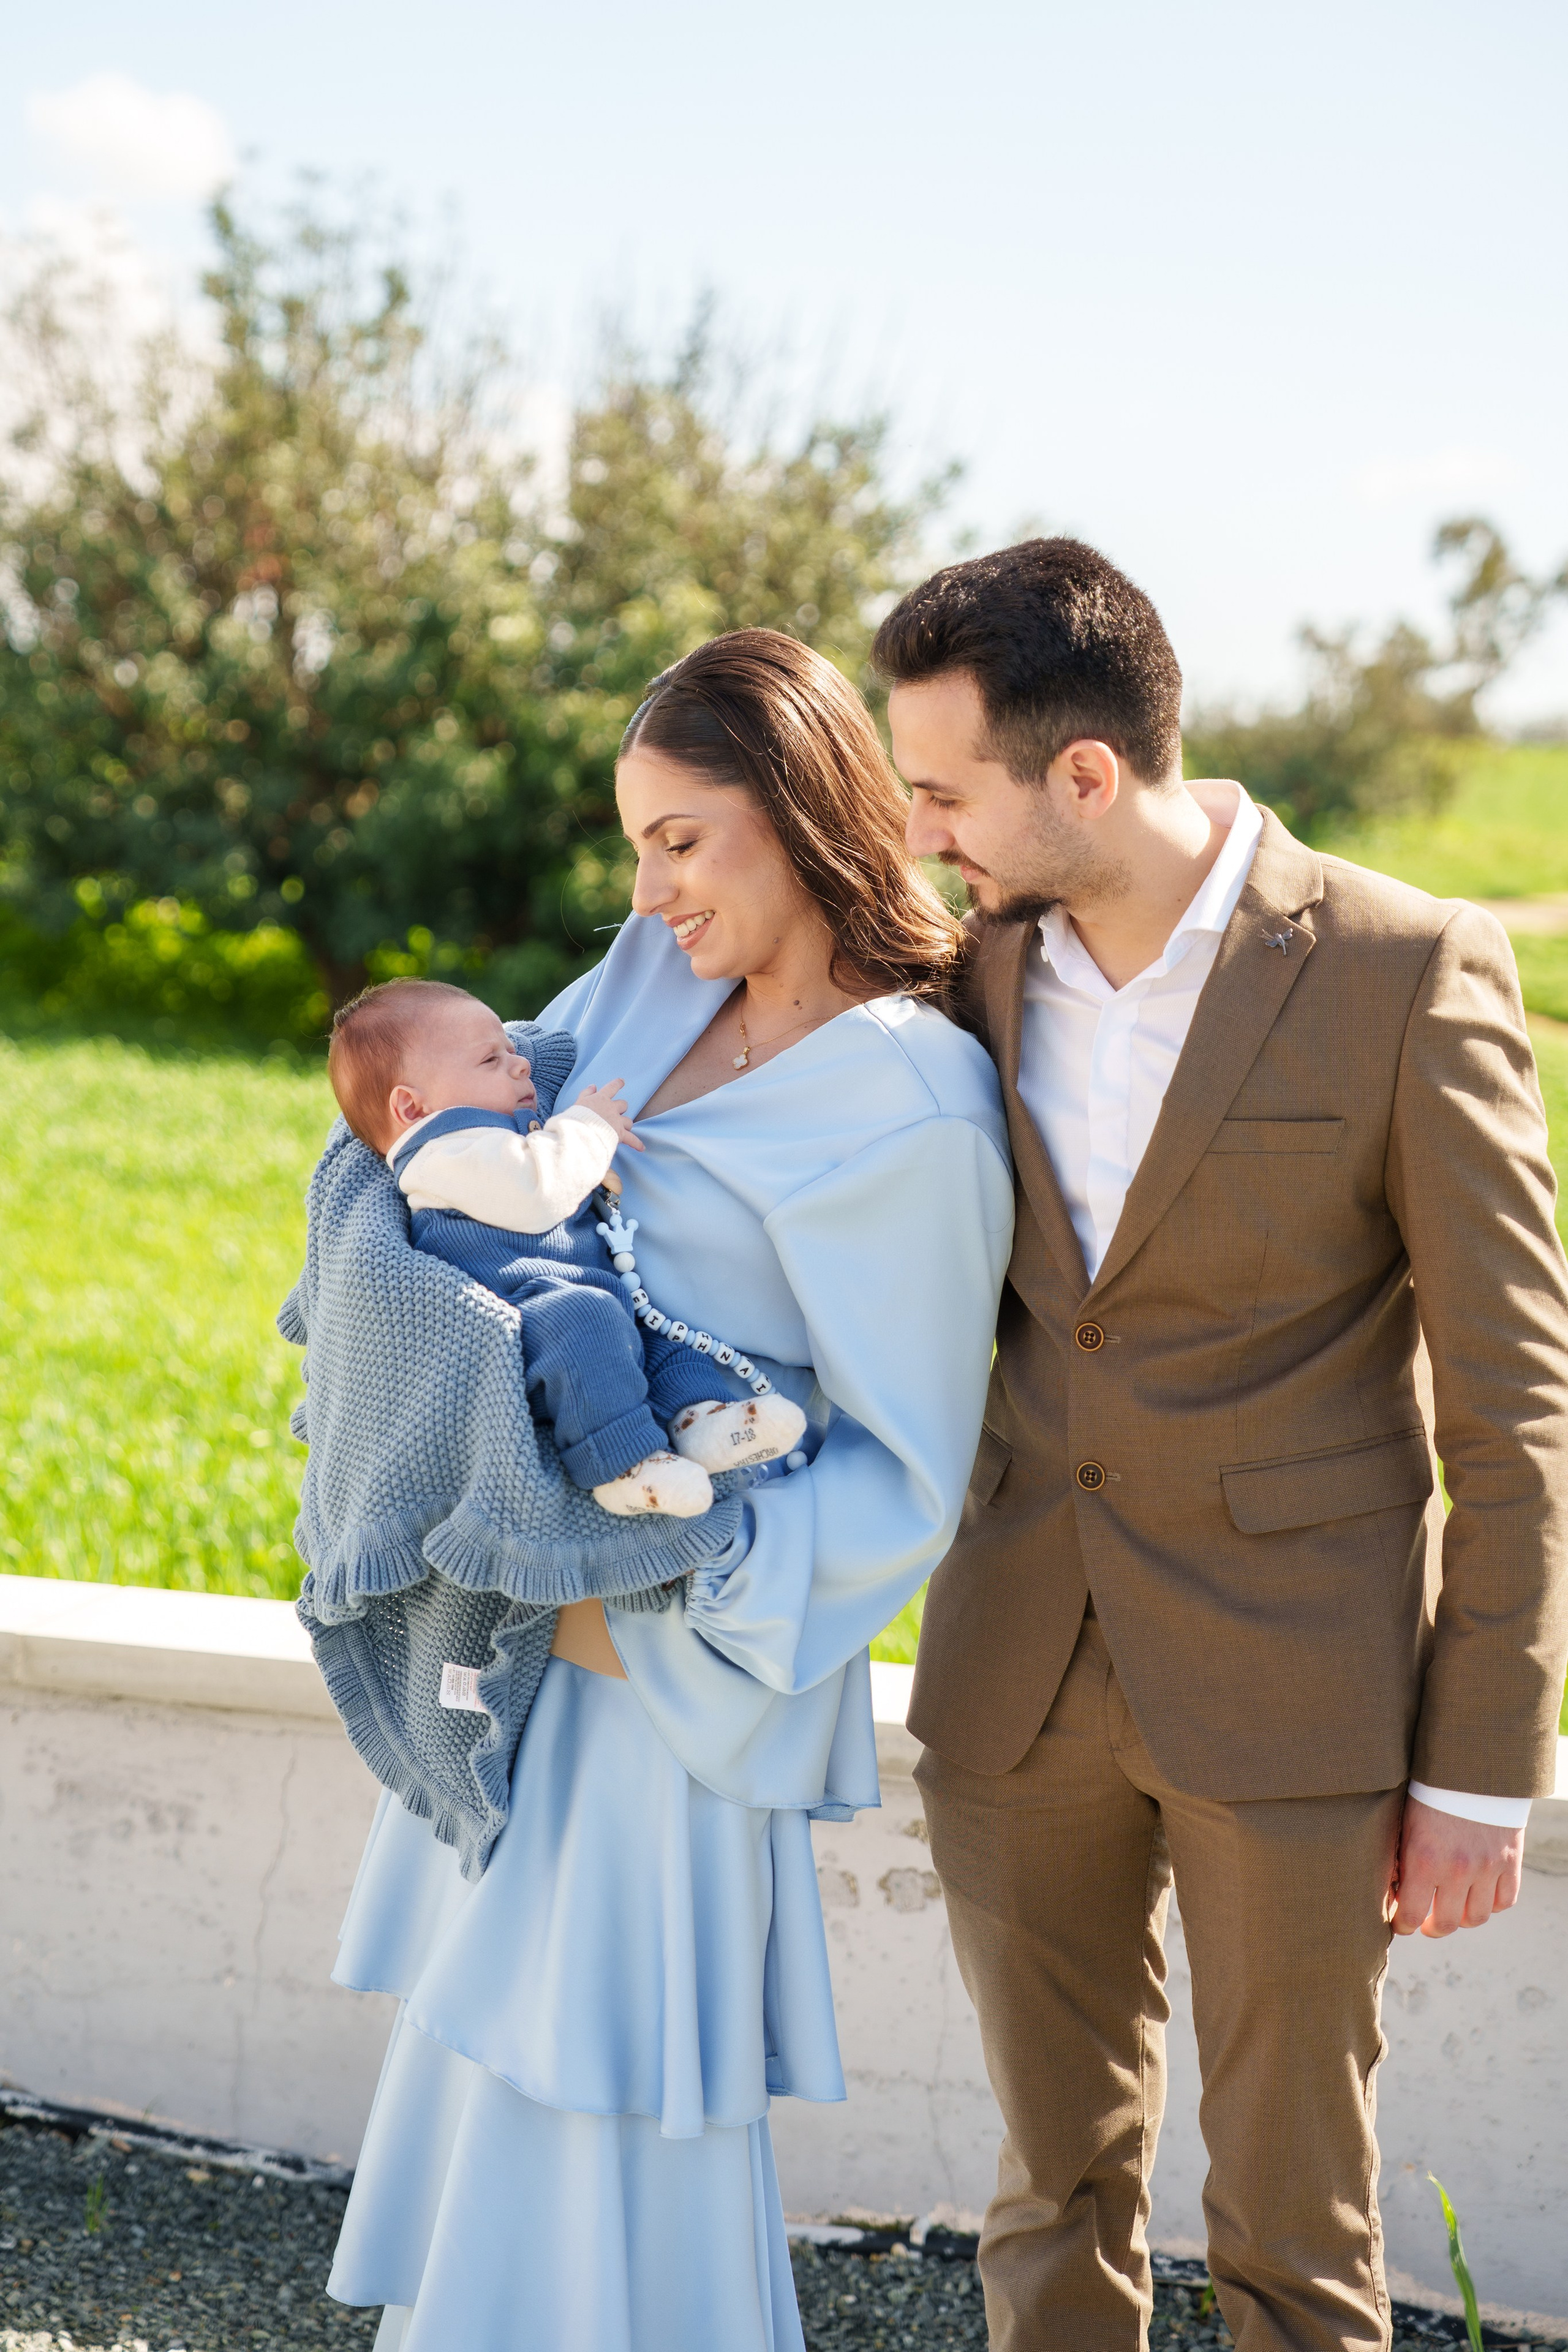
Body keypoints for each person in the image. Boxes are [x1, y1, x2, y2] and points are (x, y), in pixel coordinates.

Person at [876, 537, 1568, 2352]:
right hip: (1016, 1673)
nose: (923, 828)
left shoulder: (1406, 968)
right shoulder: (975, 974)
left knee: (1290, 2229)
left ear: (1081, 774)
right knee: (1046, 2201)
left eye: (945, 790)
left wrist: (1483, 1760)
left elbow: (1516, 1404)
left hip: (1299, 1690)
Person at [322, 628, 1014, 2350]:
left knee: (600, 2143)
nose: (647, 888)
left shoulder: (916, 1105)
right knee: (494, 2109)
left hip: (657, 1683)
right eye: (636, 843)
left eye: (680, 840)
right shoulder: (642, 984)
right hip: (519, 1647)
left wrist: (635, 1604)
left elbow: (908, 1473)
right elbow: (414, 1152)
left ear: (796, 810)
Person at [323, 976, 805, 1518]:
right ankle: (622, 1465)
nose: (521, 1064)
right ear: (412, 1108)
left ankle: (701, 1420)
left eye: (513, 1051)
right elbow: (536, 1188)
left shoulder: (493, 1140)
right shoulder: (440, 1155)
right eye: (490, 1060)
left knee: (659, 1342)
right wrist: (588, 1127)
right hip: (536, 1319)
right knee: (589, 1325)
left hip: (581, 1295)